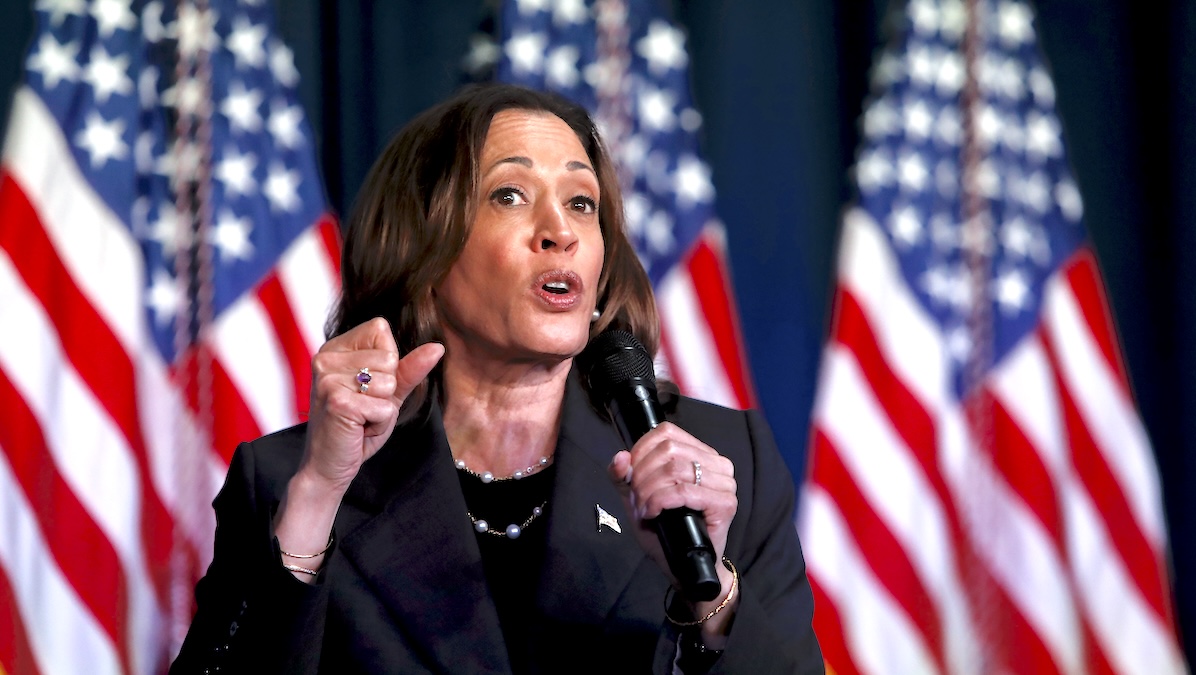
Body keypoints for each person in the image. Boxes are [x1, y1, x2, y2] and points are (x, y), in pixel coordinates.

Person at [171, 83, 824, 674]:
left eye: (581, 202)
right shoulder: (289, 478)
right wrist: (316, 498)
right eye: (509, 195)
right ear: (421, 248)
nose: (560, 231)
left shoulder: (723, 466)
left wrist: (712, 597)